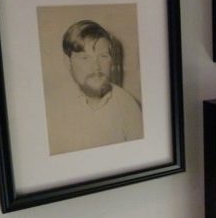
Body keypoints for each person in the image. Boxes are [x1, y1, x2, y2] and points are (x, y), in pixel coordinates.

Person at [46, 19, 143, 155]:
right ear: (68, 63)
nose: (96, 67)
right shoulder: (52, 110)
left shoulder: (128, 105)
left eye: (103, 56)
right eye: (85, 58)